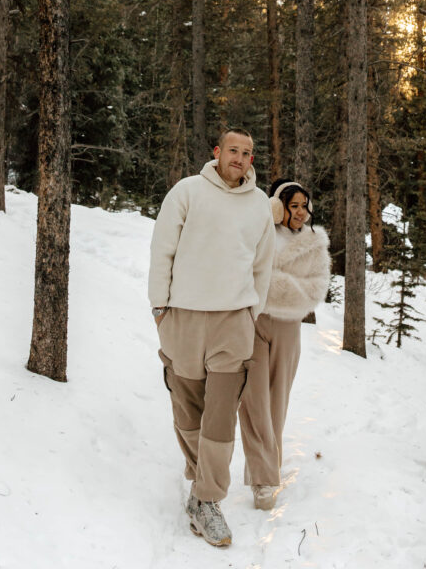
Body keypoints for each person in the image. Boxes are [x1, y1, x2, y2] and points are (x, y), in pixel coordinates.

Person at [148, 128, 275, 547]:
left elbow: (263, 265)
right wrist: (160, 308)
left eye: (248, 153)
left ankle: (207, 499)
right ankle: (199, 482)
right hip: (183, 317)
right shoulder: (187, 192)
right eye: (233, 150)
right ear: (217, 152)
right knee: (187, 410)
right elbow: (162, 249)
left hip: (233, 322)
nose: (240, 157)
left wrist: (250, 312)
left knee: (220, 414)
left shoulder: (259, 205)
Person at [238, 178, 331, 511]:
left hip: (289, 329)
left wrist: (268, 285)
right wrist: (281, 287)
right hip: (254, 323)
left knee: (276, 404)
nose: (301, 212)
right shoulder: (259, 233)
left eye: (305, 206)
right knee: (253, 401)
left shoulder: (315, 243)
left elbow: (315, 291)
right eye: (293, 206)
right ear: (277, 206)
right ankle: (262, 480)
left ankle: (267, 470)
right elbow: (241, 272)